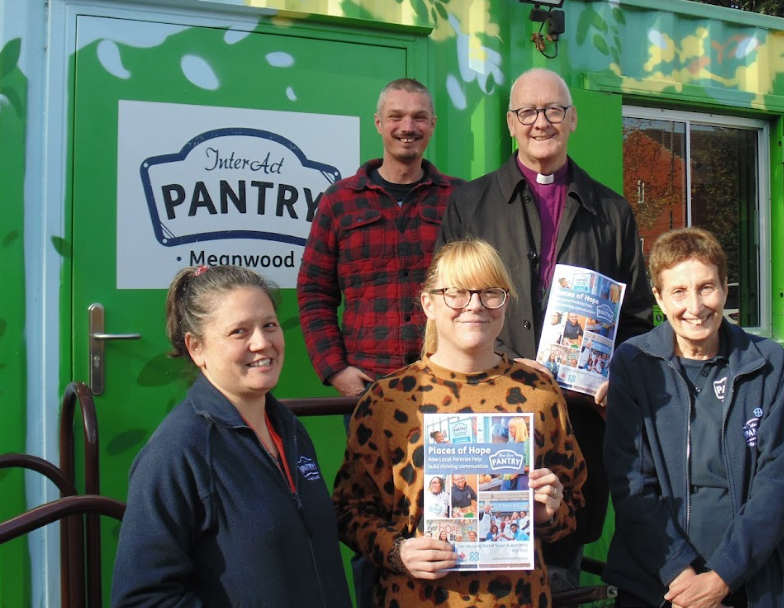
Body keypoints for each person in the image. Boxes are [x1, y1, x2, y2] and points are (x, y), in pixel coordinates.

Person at [436, 67, 655, 591]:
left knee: (560, 576)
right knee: (477, 571)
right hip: (486, 418)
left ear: (572, 119)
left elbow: (639, 318)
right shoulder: (469, 204)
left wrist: (615, 375)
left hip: (573, 427)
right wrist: (508, 361)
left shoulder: (612, 211)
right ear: (511, 124)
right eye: (528, 112)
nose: (541, 122)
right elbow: (447, 306)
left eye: (553, 110)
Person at [332, 238, 586, 608]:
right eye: (456, 293)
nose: (475, 306)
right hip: (416, 598)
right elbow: (348, 509)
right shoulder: (390, 399)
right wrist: (398, 552)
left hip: (519, 599)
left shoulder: (538, 391)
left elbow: (573, 500)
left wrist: (549, 513)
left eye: (490, 293)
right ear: (428, 304)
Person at [111, 265, 351, 608]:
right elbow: (142, 599)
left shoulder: (288, 428)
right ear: (197, 348)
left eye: (269, 325)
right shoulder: (177, 453)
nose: (262, 342)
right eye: (239, 331)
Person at [603, 228, 784, 608]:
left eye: (706, 288)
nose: (694, 307)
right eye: (679, 292)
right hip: (658, 583)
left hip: (752, 578)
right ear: (658, 299)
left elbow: (779, 483)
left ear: (725, 289)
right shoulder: (634, 364)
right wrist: (681, 576)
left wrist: (722, 578)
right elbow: (631, 484)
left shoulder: (766, 363)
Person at [297, 78, 464, 398]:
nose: (407, 126)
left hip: (446, 380)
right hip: (367, 386)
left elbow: (484, 287)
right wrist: (334, 369)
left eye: (419, 117)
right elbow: (314, 292)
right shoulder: (340, 201)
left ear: (433, 125)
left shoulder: (459, 198)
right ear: (378, 123)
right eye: (395, 116)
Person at [501, 416, 531, 490]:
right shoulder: (510, 442)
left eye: (512, 428)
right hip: (510, 476)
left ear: (519, 429)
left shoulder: (527, 443)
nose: (509, 430)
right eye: (509, 428)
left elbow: (530, 466)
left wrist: (518, 470)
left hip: (523, 476)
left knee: (522, 485)